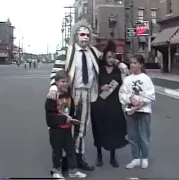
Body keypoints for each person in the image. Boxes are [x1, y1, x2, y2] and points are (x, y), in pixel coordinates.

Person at [46, 19, 129, 171]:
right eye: (82, 34)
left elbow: (108, 57)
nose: (85, 37)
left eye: (88, 35)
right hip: (71, 95)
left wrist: (120, 63)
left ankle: (78, 157)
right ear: (75, 35)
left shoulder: (92, 51)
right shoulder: (66, 52)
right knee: (64, 126)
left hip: (88, 94)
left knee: (81, 127)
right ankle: (63, 158)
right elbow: (56, 72)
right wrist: (53, 87)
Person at [91, 40, 128, 168]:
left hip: (114, 105)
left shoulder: (118, 70)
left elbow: (126, 82)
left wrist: (120, 64)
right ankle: (99, 155)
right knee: (99, 130)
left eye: (114, 57)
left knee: (113, 131)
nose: (111, 60)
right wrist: (101, 87)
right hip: (99, 104)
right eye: (109, 57)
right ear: (105, 57)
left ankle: (113, 157)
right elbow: (93, 84)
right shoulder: (99, 69)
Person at [45, 70, 87, 179]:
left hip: (67, 129)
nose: (65, 84)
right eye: (62, 81)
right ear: (56, 82)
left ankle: (73, 170)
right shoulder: (52, 98)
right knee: (57, 151)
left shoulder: (69, 96)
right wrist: (64, 119)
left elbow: (71, 111)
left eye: (67, 81)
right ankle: (56, 171)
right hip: (56, 130)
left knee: (71, 150)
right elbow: (50, 117)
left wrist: (74, 119)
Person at [118, 54, 155, 169]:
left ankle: (144, 157)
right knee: (132, 136)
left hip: (144, 111)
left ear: (141, 65)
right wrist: (130, 99)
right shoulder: (127, 79)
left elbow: (151, 95)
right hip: (130, 111)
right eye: (131, 63)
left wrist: (140, 104)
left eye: (135, 63)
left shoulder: (146, 78)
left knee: (144, 135)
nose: (132, 65)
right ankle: (135, 158)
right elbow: (122, 93)